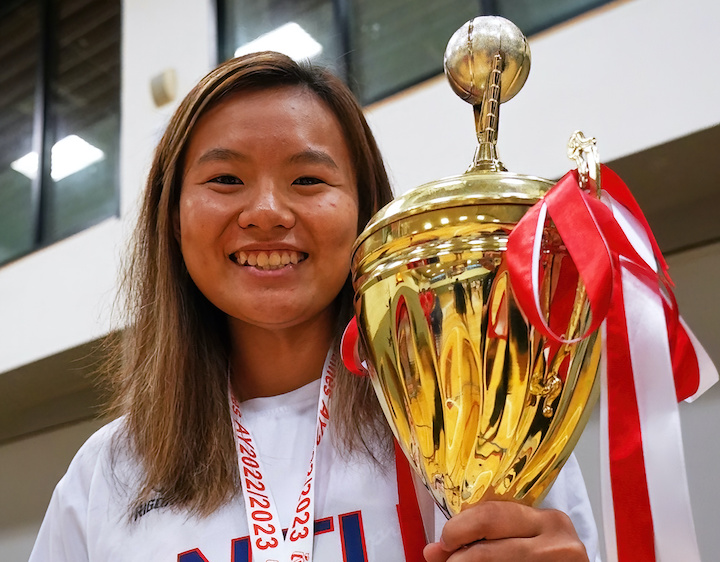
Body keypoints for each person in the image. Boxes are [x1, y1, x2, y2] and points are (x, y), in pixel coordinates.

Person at [29, 51, 599, 562]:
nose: (268, 211)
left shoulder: (483, 415)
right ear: (173, 220)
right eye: (226, 178)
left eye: (307, 178)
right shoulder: (109, 475)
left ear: (365, 211)